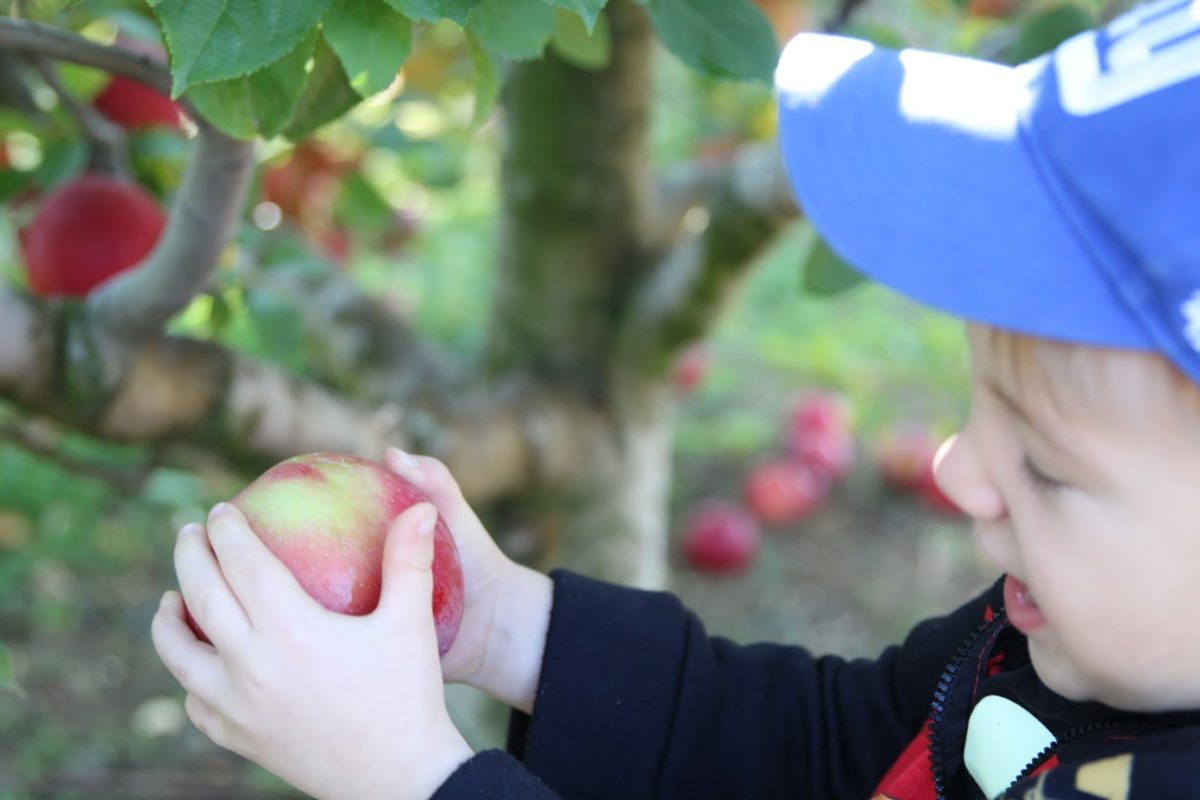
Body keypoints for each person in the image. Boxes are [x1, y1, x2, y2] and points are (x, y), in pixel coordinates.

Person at [150, 0, 1200, 797]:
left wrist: (418, 777)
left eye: (1050, 464)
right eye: (981, 403)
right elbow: (836, 746)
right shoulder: (1059, 640)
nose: (956, 467)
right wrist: (514, 630)